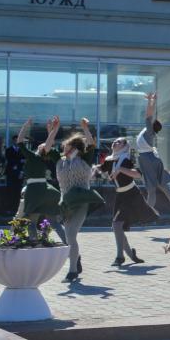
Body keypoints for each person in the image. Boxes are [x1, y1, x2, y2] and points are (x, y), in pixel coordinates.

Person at [95, 137, 158, 267]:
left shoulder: (126, 159)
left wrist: (121, 170)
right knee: (117, 227)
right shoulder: (110, 160)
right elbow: (99, 172)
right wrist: (89, 171)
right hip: (120, 195)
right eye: (114, 141)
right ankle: (130, 254)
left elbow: (138, 174)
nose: (115, 143)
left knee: (117, 224)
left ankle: (120, 256)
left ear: (125, 146)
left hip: (131, 195)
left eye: (119, 142)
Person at [57, 118, 105, 282]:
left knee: (70, 235)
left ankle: (72, 271)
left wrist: (85, 128)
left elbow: (91, 144)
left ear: (73, 148)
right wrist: (52, 131)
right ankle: (76, 260)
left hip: (81, 201)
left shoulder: (84, 159)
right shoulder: (60, 162)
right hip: (66, 203)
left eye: (66, 146)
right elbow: (46, 150)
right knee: (69, 237)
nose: (63, 149)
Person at [14, 117, 66, 243]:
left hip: (34, 191)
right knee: (54, 222)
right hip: (47, 191)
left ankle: (34, 245)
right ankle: (69, 243)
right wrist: (51, 130)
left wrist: (26, 126)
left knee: (31, 222)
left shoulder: (33, 156)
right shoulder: (43, 159)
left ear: (40, 149)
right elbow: (49, 144)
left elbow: (20, 141)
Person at [137, 93, 170, 214]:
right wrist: (151, 101)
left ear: (153, 125)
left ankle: (147, 213)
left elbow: (148, 115)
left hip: (148, 159)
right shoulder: (149, 131)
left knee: (151, 190)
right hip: (150, 158)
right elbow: (149, 115)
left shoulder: (149, 131)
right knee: (163, 187)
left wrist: (151, 101)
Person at [4, 135, 25, 215]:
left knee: (18, 192)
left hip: (19, 174)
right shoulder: (8, 150)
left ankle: (17, 209)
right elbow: (10, 160)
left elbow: (24, 160)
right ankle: (9, 208)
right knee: (10, 191)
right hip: (11, 174)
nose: (17, 142)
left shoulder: (22, 150)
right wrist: (19, 161)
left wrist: (19, 163)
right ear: (13, 141)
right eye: (15, 140)